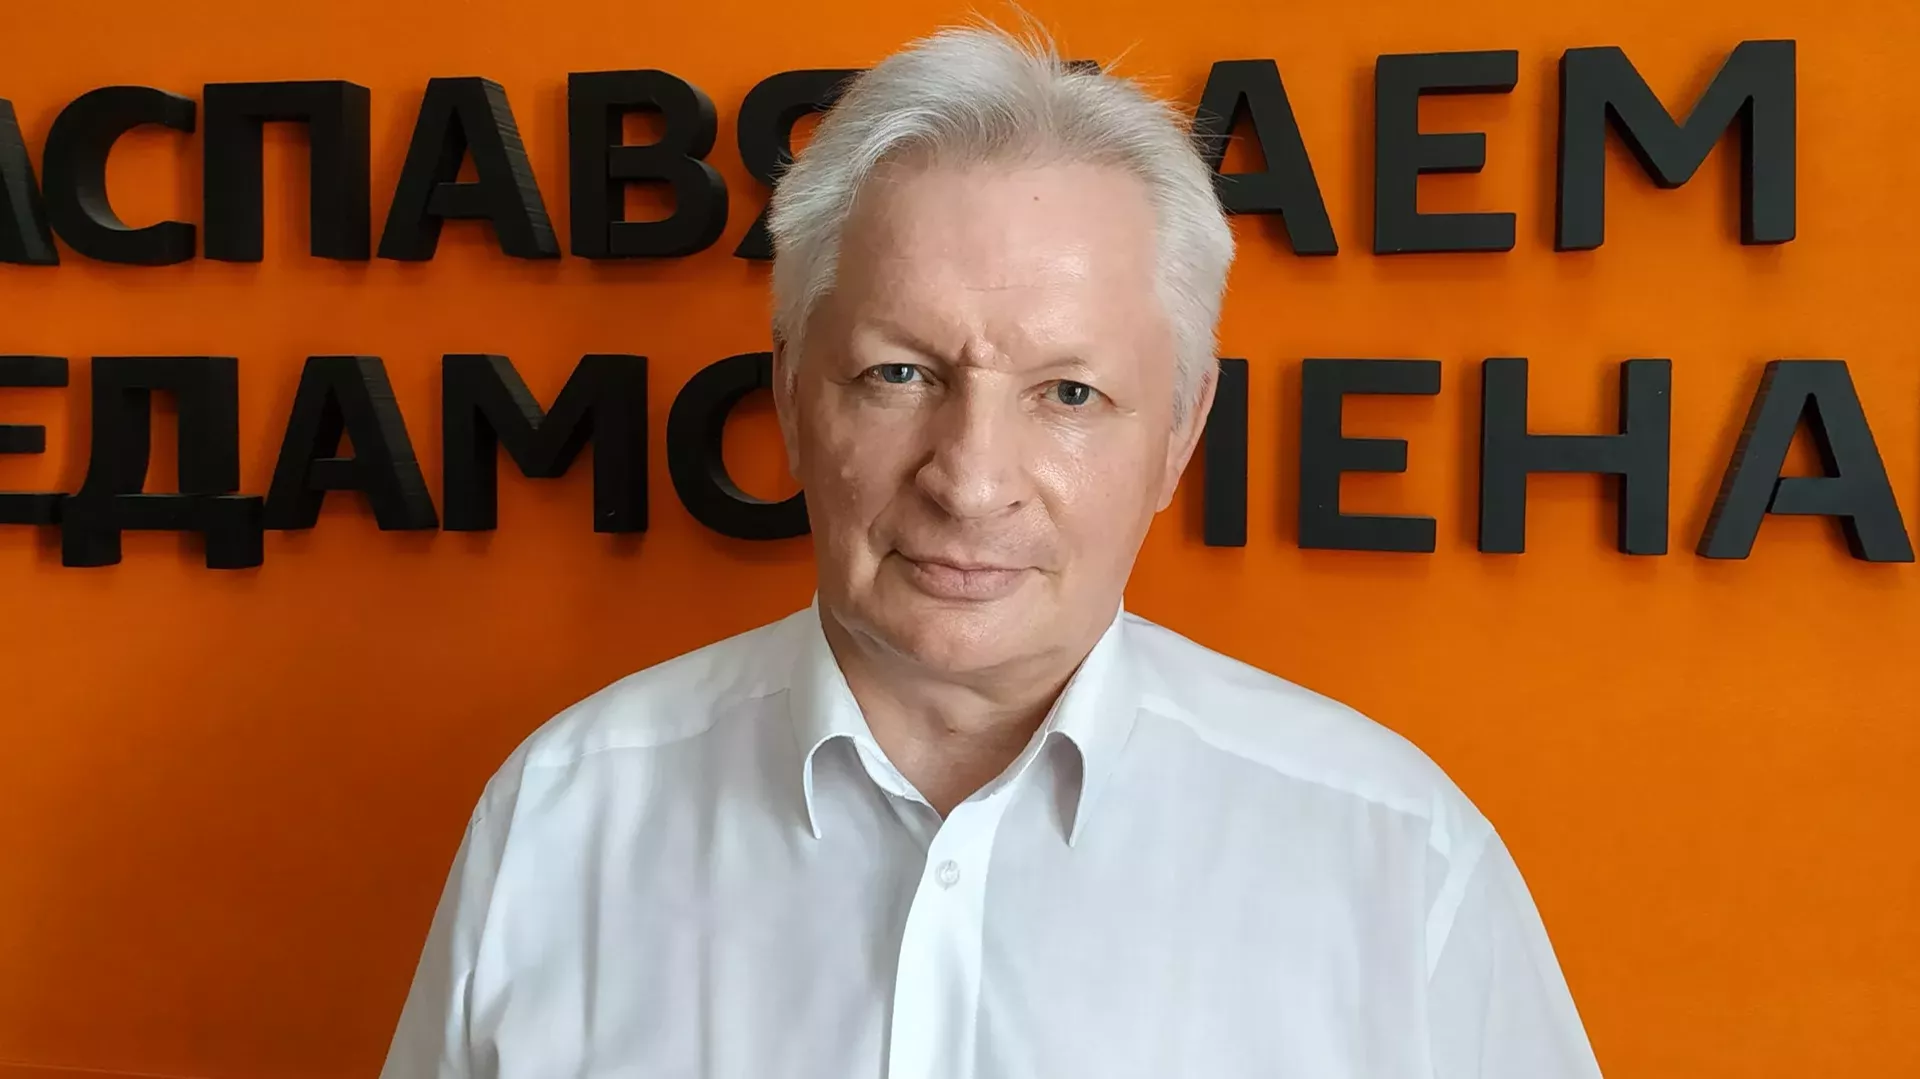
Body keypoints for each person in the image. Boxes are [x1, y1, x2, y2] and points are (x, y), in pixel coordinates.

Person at [377, 22, 1604, 1079]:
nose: (969, 480)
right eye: (899, 373)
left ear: (1180, 433)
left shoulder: (1396, 857)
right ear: (793, 396)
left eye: (1069, 393)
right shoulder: (560, 814)